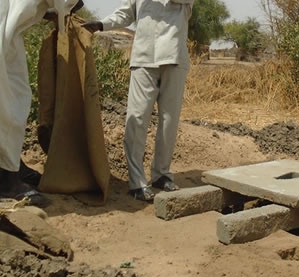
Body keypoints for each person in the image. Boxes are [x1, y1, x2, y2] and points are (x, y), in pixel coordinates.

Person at [83, 0, 193, 202]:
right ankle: (137, 181)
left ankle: (161, 174)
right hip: (144, 57)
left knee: (169, 121)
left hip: (174, 56)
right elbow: (126, 13)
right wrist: (102, 24)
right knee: (137, 118)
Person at [0, 0, 84, 207]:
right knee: (9, 105)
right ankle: (6, 182)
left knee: (16, 94)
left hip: (8, 34)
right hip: (2, 32)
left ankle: (11, 165)